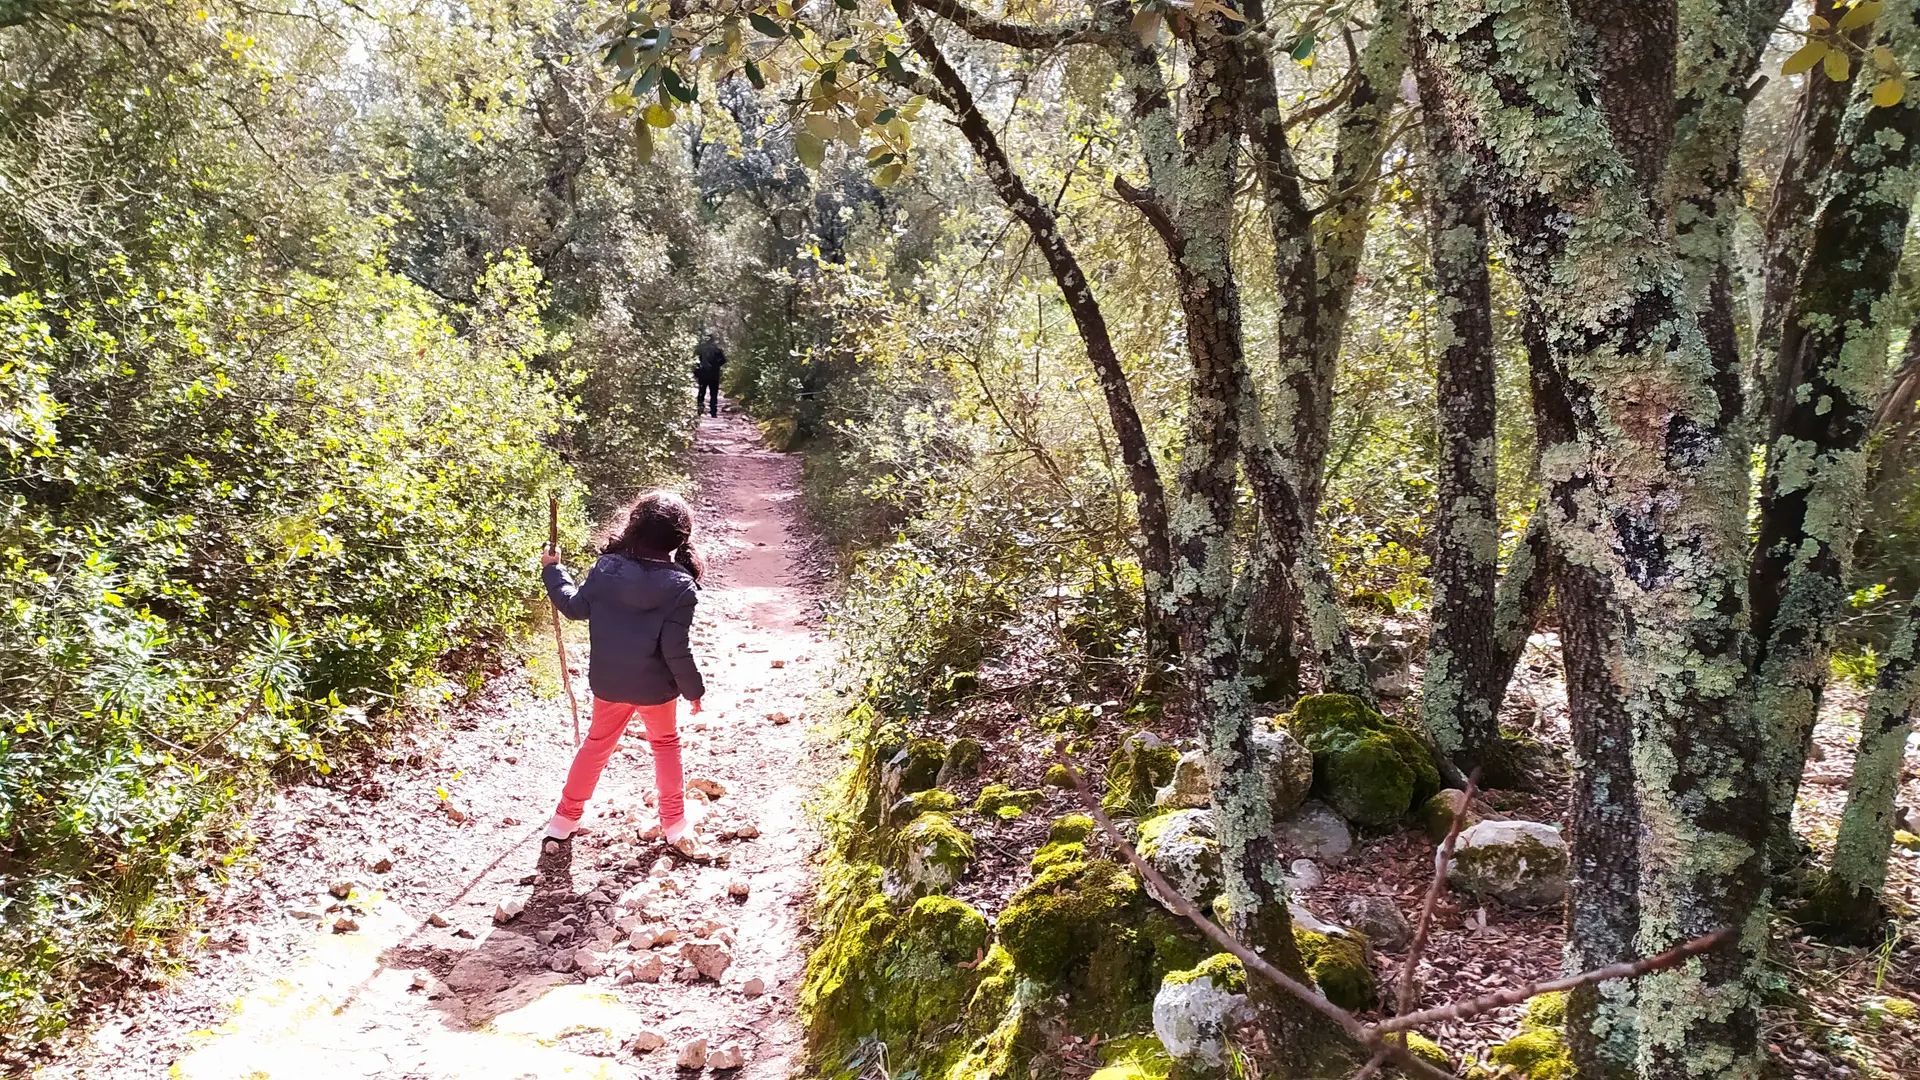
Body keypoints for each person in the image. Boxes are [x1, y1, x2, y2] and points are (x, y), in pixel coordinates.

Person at [540, 490, 710, 857]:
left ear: (634, 526)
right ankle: (674, 822)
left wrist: (553, 570)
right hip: (655, 689)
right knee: (665, 745)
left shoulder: (606, 569)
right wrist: (693, 690)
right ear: (681, 538)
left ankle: (563, 820)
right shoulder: (681, 587)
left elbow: (573, 607)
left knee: (597, 744)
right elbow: (676, 649)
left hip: (609, 683)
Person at [693, 335, 726, 417]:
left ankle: (700, 409)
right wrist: (716, 366)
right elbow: (723, 360)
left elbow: (694, 361)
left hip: (702, 374)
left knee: (701, 391)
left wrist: (696, 372)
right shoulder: (717, 349)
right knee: (713, 393)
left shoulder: (699, 349)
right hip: (714, 374)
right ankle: (713, 411)